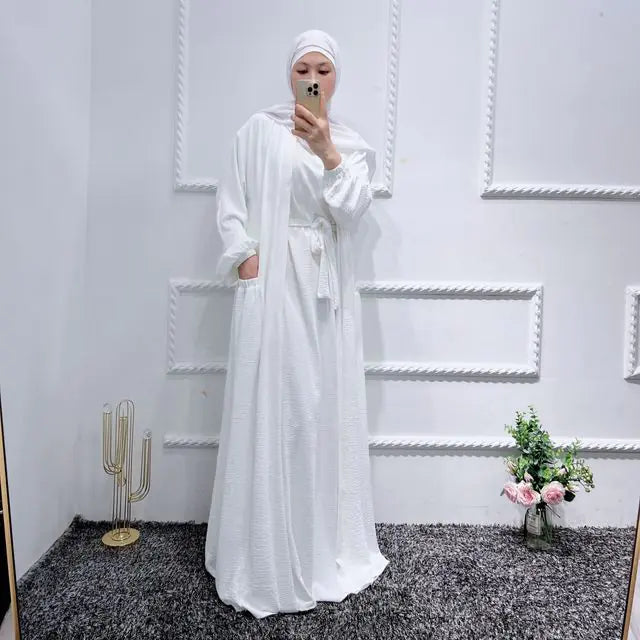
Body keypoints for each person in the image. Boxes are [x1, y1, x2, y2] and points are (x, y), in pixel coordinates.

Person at [204, 28, 389, 619]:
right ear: (289, 74)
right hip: (271, 286)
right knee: (276, 403)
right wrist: (247, 259)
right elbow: (230, 202)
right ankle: (260, 550)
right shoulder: (257, 132)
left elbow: (352, 211)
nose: (312, 79)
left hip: (323, 291)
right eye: (303, 69)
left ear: (336, 78)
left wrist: (327, 148)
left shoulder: (350, 146)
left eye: (323, 70)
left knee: (315, 407)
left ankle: (317, 544)